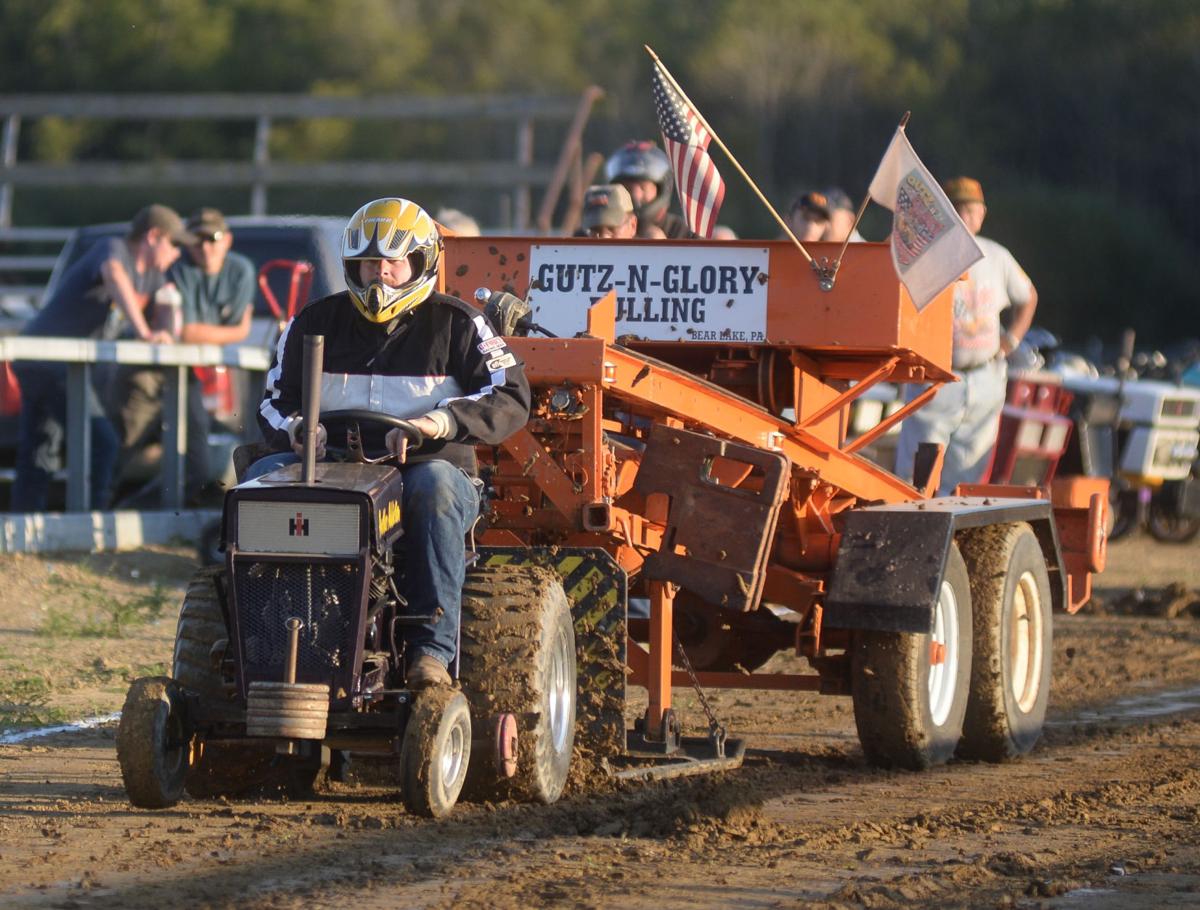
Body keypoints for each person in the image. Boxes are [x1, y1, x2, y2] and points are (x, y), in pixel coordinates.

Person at [252, 197, 531, 688]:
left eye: (392, 263)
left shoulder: (459, 322)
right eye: (367, 264)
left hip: (427, 467)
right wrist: (300, 429)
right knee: (258, 482)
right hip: (332, 466)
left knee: (434, 486)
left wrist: (437, 424)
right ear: (351, 267)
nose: (378, 275)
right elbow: (274, 400)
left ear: (420, 263)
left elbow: (509, 394)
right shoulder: (312, 322)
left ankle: (431, 649)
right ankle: (257, 631)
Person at [12, 204, 193, 512]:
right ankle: (92, 525)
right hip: (44, 359)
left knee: (41, 446)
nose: (177, 254)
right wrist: (144, 332)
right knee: (102, 443)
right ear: (153, 236)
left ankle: (23, 525)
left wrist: (166, 318)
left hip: (61, 366)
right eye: (174, 244)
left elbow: (166, 318)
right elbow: (114, 276)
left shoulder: (152, 277)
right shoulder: (113, 249)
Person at [894, 176, 1039, 495]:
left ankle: (952, 537)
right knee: (917, 471)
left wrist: (1011, 340)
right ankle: (914, 528)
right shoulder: (925, 255)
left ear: (982, 214)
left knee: (966, 472)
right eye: (957, 209)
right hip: (937, 376)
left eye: (971, 210)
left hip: (985, 375)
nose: (965, 217)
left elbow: (1028, 296)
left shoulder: (996, 255)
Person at [108, 207, 255, 505]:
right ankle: (99, 511)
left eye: (211, 238)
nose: (203, 246)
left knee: (196, 460)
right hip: (144, 372)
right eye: (195, 239)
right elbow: (183, 331)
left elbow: (197, 332)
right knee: (120, 449)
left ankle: (157, 515)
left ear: (226, 240)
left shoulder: (240, 270)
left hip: (185, 374)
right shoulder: (176, 266)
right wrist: (235, 330)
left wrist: (226, 331)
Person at [604, 141, 690, 239]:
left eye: (643, 188)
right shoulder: (596, 232)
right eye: (627, 188)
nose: (635, 195)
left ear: (661, 189)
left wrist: (664, 250)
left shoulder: (683, 234)